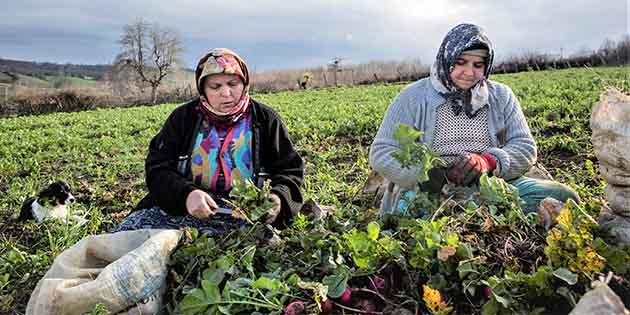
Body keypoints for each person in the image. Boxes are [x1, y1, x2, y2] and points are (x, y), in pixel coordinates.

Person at [369, 23, 579, 215]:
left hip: (491, 185)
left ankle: (486, 214)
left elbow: (525, 147)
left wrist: (488, 162)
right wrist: (430, 176)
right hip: (429, 190)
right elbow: (381, 152)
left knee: (563, 198)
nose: (469, 73)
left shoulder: (501, 96)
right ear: (446, 59)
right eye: (460, 62)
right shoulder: (413, 97)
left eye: (478, 65)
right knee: (409, 216)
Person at [112, 48, 304, 234]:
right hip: (185, 211)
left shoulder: (265, 119)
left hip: (246, 215)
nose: (226, 93)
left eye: (233, 84)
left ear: (244, 84)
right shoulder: (183, 118)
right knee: (132, 240)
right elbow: (158, 168)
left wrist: (278, 198)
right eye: (215, 86)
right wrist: (186, 195)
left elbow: (290, 170)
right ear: (202, 88)